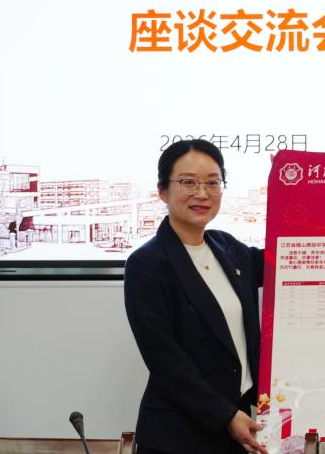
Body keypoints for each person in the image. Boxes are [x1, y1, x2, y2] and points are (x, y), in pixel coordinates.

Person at [124, 139, 267, 454]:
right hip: (179, 436)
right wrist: (225, 415)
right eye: (188, 182)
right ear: (163, 191)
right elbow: (164, 358)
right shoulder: (147, 264)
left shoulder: (228, 248)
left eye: (213, 183)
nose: (202, 193)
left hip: (236, 429)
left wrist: (292, 190)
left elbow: (285, 261)